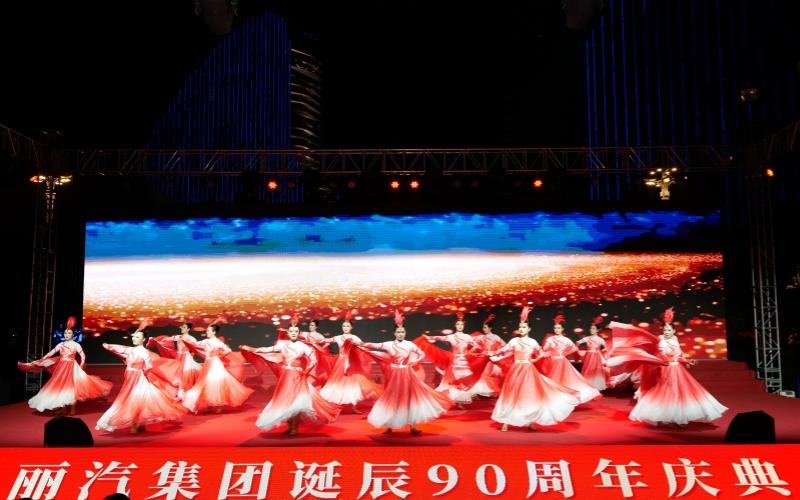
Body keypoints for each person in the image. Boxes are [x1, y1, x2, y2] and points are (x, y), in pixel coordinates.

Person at [613, 308, 728, 426]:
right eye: (665, 330)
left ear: (674, 331)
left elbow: (678, 356)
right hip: (665, 370)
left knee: (681, 394)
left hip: (677, 371)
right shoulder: (661, 341)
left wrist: (687, 361)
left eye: (669, 330)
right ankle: (666, 417)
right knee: (665, 394)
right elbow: (661, 355)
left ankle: (678, 417)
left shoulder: (675, 340)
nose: (666, 332)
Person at [357, 310, 452, 435]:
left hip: (407, 374)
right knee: (392, 398)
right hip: (394, 374)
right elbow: (374, 345)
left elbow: (421, 354)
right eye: (398, 332)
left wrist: (415, 362)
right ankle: (389, 426)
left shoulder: (410, 345)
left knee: (410, 398)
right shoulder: (389, 344)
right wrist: (361, 344)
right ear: (394, 333)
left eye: (402, 332)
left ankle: (413, 427)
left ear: (405, 333)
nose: (400, 334)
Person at [490, 307, 580, 432]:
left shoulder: (533, 342)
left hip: (528, 371)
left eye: (524, 327)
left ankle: (530, 422)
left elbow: (541, 353)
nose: (521, 329)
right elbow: (504, 350)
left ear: (529, 329)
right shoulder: (514, 341)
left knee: (529, 395)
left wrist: (534, 360)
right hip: (516, 370)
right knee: (511, 394)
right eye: (520, 327)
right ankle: (505, 422)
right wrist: (494, 353)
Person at [243, 324, 339, 435]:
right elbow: (268, 349)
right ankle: (289, 427)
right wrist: (253, 349)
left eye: (295, 331)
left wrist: (307, 371)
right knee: (285, 400)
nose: (293, 333)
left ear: (298, 333)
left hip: (297, 376)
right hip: (285, 376)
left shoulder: (303, 346)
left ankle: (294, 428)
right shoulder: (283, 345)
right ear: (288, 333)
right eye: (291, 331)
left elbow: (313, 359)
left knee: (297, 402)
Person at [96, 326, 186, 434]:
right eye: (134, 336)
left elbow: (149, 365)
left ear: (143, 339)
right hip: (130, 379)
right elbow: (121, 349)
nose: (134, 338)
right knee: (133, 399)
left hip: (138, 378)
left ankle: (135, 425)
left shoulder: (143, 352)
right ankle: (139, 423)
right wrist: (109, 346)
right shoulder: (131, 349)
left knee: (135, 399)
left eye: (138, 337)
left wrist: (144, 373)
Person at [19, 316, 112, 413]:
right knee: (61, 386)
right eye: (66, 333)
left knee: (72, 387)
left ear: (73, 335)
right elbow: (51, 353)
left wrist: (81, 366)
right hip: (62, 368)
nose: (67, 334)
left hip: (72, 367)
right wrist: (42, 359)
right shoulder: (61, 344)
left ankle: (72, 409)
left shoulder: (76, 345)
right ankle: (63, 409)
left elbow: (83, 356)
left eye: (69, 333)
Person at [182, 324, 254, 413]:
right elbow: (195, 344)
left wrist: (219, 355)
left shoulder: (217, 342)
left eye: (208, 331)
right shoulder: (205, 341)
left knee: (214, 382)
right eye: (207, 330)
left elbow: (228, 350)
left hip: (215, 364)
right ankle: (209, 403)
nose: (207, 332)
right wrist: (185, 339)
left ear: (214, 332)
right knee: (205, 383)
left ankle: (218, 404)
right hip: (208, 363)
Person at [318, 310, 380, 413]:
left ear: (351, 327)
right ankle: (336, 406)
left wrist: (372, 349)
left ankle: (354, 407)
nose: (345, 328)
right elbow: (326, 340)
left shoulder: (354, 338)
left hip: (351, 364)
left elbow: (363, 345)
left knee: (353, 384)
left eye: (347, 326)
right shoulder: (338, 337)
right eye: (344, 326)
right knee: (338, 384)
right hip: (341, 363)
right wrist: (313, 342)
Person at [539, 314, 602, 404]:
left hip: (561, 362)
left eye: (559, 328)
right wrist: (545, 351)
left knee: (564, 380)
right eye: (555, 328)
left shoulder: (566, 340)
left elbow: (574, 348)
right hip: (552, 362)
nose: (557, 329)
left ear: (562, 329)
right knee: (553, 380)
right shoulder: (550, 339)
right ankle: (556, 398)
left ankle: (563, 398)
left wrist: (565, 353)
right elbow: (545, 349)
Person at [422, 312, 477, 409]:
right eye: (458, 324)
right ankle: (451, 400)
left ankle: (459, 401)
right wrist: (428, 337)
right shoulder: (451, 336)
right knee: (453, 381)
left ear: (464, 326)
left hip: (464, 362)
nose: (460, 326)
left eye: (461, 324)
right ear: (455, 325)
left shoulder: (467, 337)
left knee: (463, 381)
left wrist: (469, 352)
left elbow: (476, 346)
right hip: (455, 362)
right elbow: (439, 337)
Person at [146, 322, 201, 400]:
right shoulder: (178, 337)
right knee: (177, 375)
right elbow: (167, 339)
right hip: (179, 357)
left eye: (184, 327)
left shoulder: (191, 339)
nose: (182, 328)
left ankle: (184, 392)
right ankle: (179, 392)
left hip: (186, 358)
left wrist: (190, 356)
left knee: (185, 375)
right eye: (182, 327)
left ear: (188, 329)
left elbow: (195, 348)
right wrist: (155, 339)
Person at [467, 314, 506, 398]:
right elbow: (471, 341)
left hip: (490, 359)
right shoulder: (481, 337)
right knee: (480, 374)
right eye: (483, 327)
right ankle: (479, 392)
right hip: (482, 358)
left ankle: (486, 391)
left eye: (485, 327)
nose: (484, 329)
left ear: (490, 328)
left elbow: (504, 345)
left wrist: (495, 352)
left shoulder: (495, 337)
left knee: (486, 375)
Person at [576, 316, 610, 391]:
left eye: (593, 329)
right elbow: (578, 342)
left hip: (596, 357)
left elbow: (607, 347)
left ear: (597, 330)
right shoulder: (587, 338)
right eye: (591, 328)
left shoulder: (600, 339)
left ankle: (596, 386)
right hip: (589, 356)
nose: (592, 330)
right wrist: (578, 351)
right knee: (588, 370)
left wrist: (602, 351)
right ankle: (587, 385)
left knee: (596, 370)